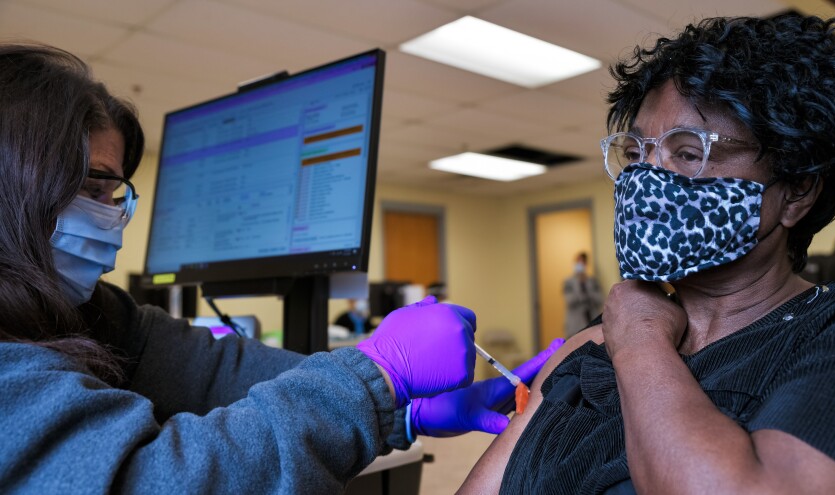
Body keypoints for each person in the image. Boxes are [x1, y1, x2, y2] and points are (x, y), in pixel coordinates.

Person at [0, 43, 563, 493]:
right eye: (95, 186)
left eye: (114, 189)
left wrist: (400, 411)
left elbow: (216, 370)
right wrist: (381, 373)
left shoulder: (89, 313)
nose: (113, 214)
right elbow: (154, 479)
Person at [461, 14, 835, 494]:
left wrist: (640, 339)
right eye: (638, 154)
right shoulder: (587, 349)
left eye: (687, 152)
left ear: (796, 191)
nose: (644, 182)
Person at [562, 251, 603, 338]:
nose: (580, 265)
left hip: (592, 322)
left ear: (586, 264)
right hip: (575, 325)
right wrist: (579, 284)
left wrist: (588, 288)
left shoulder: (593, 281)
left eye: (582, 262)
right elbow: (569, 300)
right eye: (578, 262)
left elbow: (599, 299)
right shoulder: (568, 282)